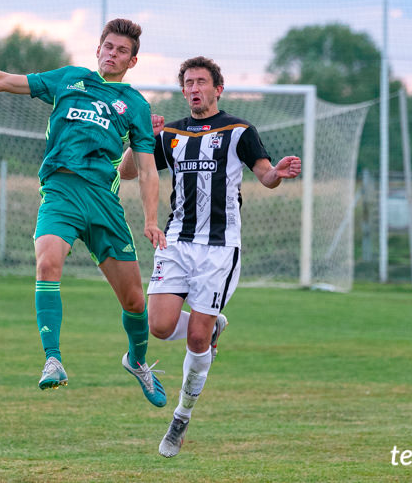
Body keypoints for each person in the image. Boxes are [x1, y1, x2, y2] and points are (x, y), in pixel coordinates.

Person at [0, 18, 168, 407]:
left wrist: (151, 219)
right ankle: (53, 359)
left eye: (122, 51)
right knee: (47, 264)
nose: (112, 54)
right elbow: (1, 80)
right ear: (98, 49)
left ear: (132, 61)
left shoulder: (135, 105)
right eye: (108, 46)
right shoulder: (68, 79)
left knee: (135, 302)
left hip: (103, 201)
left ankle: (137, 361)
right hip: (61, 192)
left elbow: (146, 170)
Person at [119, 56, 302, 456]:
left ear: (218, 88)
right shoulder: (170, 134)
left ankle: (181, 418)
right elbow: (130, 172)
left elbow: (265, 175)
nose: (195, 88)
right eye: (189, 82)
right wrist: (141, 138)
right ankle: (211, 327)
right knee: (160, 326)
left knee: (197, 338)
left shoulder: (239, 131)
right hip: (177, 242)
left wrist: (280, 172)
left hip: (220, 248)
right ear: (183, 90)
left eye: (202, 81)